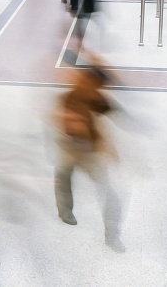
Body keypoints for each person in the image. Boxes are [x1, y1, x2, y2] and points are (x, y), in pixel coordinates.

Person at [51, 62, 124, 252]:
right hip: (71, 146)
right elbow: (68, 124)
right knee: (64, 176)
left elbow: (112, 110)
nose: (99, 90)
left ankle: (112, 235)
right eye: (97, 85)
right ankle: (65, 211)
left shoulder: (95, 97)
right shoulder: (68, 98)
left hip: (89, 150)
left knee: (108, 192)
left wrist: (106, 145)